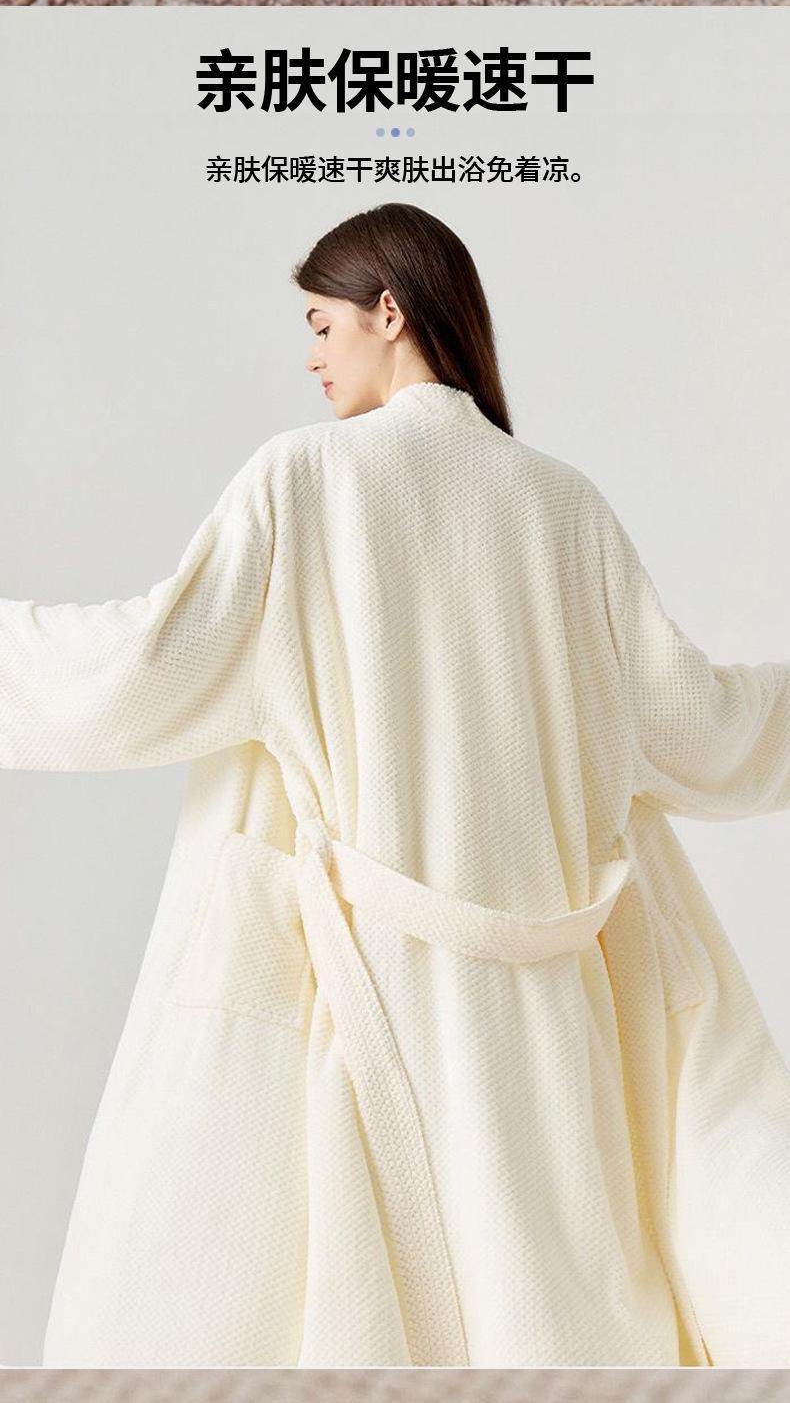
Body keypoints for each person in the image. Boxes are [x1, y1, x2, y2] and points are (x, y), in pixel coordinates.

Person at [2, 202, 790, 1369]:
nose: (310, 357)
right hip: (548, 1021)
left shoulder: (303, 482)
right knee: (558, 1318)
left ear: (390, 309)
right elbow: (703, 725)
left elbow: (142, 664)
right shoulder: (565, 506)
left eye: (321, 324)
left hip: (361, 1006)